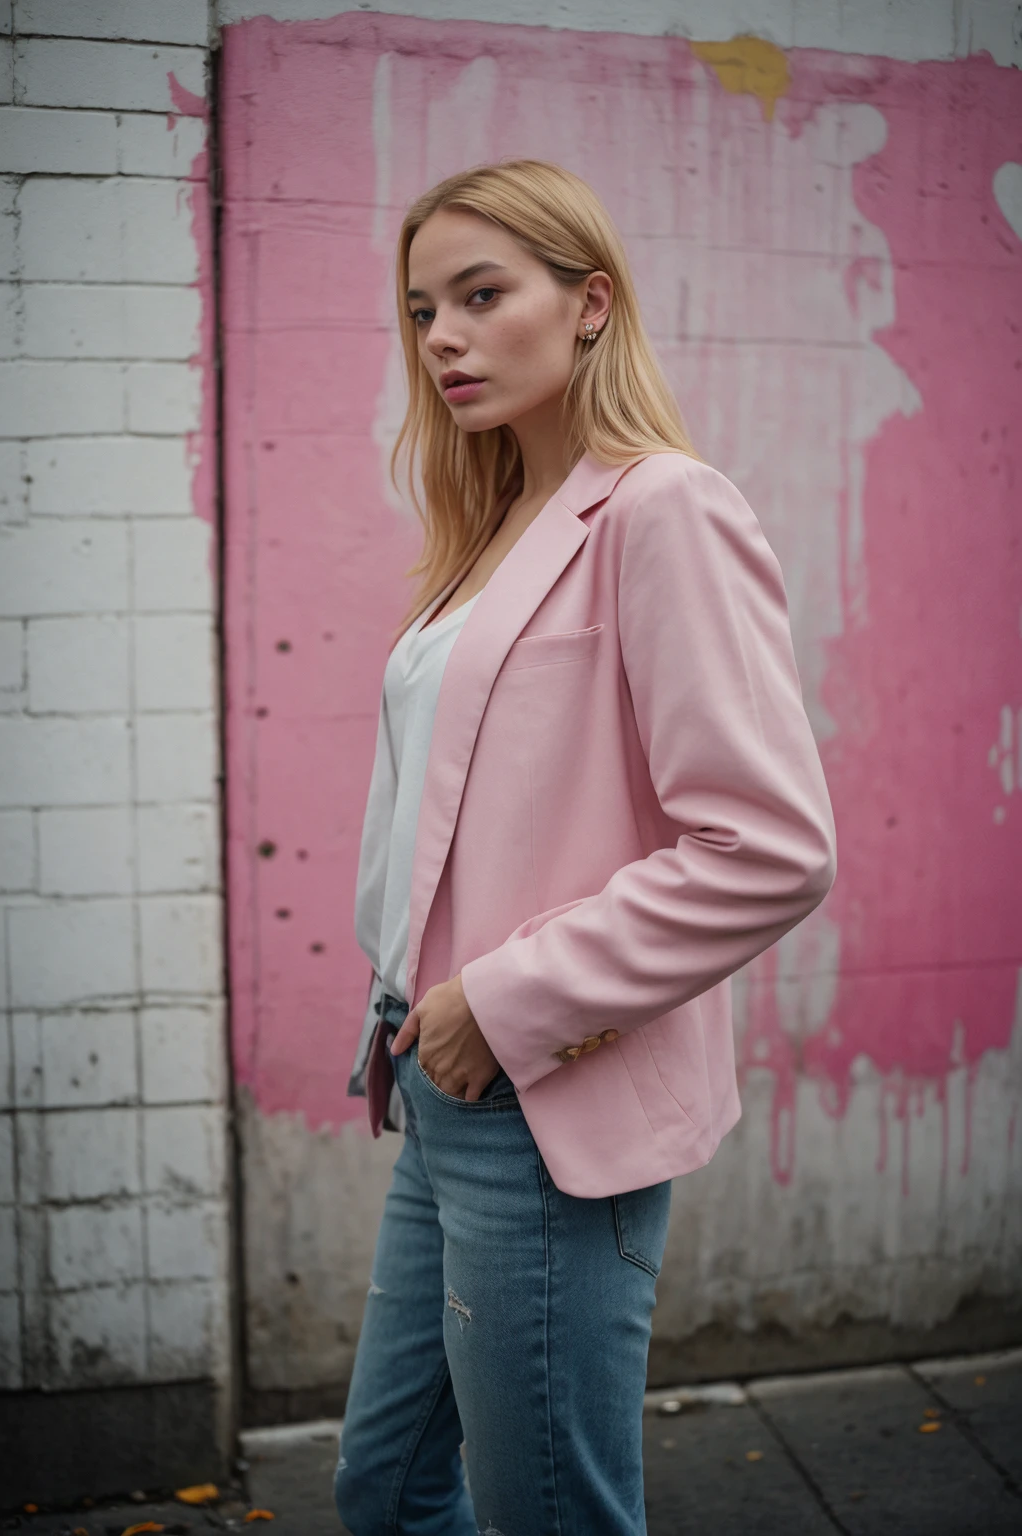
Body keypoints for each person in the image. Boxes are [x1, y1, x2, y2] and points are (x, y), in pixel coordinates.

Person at [335, 159, 836, 1536]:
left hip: (537, 1099)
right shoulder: (493, 528)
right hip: (438, 1074)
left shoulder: (665, 506)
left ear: (591, 304)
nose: (441, 336)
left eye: (483, 295)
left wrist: (494, 1006)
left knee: (548, 1514)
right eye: (423, 307)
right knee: (381, 1491)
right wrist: (419, 1009)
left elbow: (767, 846)